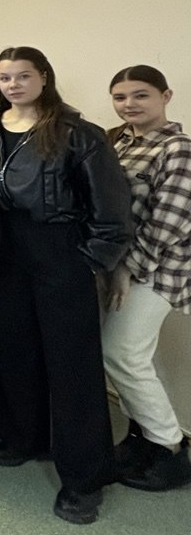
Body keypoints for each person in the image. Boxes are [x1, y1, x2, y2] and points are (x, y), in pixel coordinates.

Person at [0, 46, 131, 524]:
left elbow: (111, 208)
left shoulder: (78, 133)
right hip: (5, 254)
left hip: (61, 251)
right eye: (5, 77)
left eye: (23, 76)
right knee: (14, 349)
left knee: (72, 365)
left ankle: (84, 478)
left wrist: (90, 262)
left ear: (43, 77)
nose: (13, 85)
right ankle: (24, 437)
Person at [102, 65, 191, 491]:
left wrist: (127, 269)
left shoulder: (178, 149)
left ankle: (170, 447)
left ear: (165, 96)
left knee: (120, 352)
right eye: (120, 97)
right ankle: (141, 439)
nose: (129, 104)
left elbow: (168, 223)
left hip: (157, 270)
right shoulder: (119, 142)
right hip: (119, 266)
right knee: (133, 355)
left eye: (140, 95)